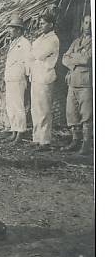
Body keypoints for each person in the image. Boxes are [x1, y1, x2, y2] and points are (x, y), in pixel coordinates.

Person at [62, 14, 92, 155]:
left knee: (86, 115)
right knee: (71, 113)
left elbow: (87, 59)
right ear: (82, 24)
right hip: (73, 82)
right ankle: (75, 140)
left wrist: (73, 57)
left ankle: (86, 144)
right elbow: (64, 58)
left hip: (86, 83)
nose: (89, 26)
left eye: (92, 23)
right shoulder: (76, 42)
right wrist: (75, 61)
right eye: (86, 22)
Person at [29, 10, 60, 151]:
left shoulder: (53, 39)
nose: (40, 26)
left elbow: (39, 54)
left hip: (45, 77)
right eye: (40, 23)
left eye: (43, 23)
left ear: (51, 24)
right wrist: (33, 52)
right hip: (36, 76)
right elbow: (32, 52)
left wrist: (33, 52)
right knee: (35, 108)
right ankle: (36, 138)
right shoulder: (41, 38)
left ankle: (45, 140)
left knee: (44, 110)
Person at [3, 14, 32, 144]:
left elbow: (28, 61)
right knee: (11, 106)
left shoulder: (25, 43)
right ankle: (14, 130)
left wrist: (25, 76)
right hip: (10, 78)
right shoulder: (13, 43)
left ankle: (20, 133)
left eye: (12, 29)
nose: (9, 31)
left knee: (18, 106)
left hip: (18, 78)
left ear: (19, 30)